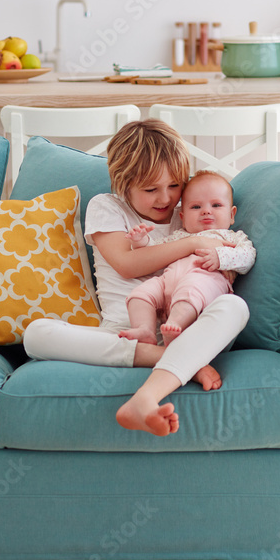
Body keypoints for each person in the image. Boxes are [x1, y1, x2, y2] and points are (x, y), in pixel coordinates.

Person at [23, 119, 249, 438]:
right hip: (125, 332)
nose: (166, 199)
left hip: (190, 328)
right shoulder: (107, 207)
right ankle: (182, 362)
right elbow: (128, 264)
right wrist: (193, 242)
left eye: (174, 186)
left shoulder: (191, 210)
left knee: (234, 307)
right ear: (123, 185)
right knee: (35, 334)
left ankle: (146, 396)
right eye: (151, 189)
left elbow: (234, 251)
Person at [120, 170, 255, 347]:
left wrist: (220, 256)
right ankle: (145, 329)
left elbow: (248, 257)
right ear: (182, 218)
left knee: (191, 288)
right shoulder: (180, 236)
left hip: (205, 283)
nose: (206, 211)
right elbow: (154, 251)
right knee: (140, 294)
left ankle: (176, 326)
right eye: (196, 207)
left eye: (216, 205)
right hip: (166, 282)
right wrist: (141, 241)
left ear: (231, 214)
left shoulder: (232, 238)